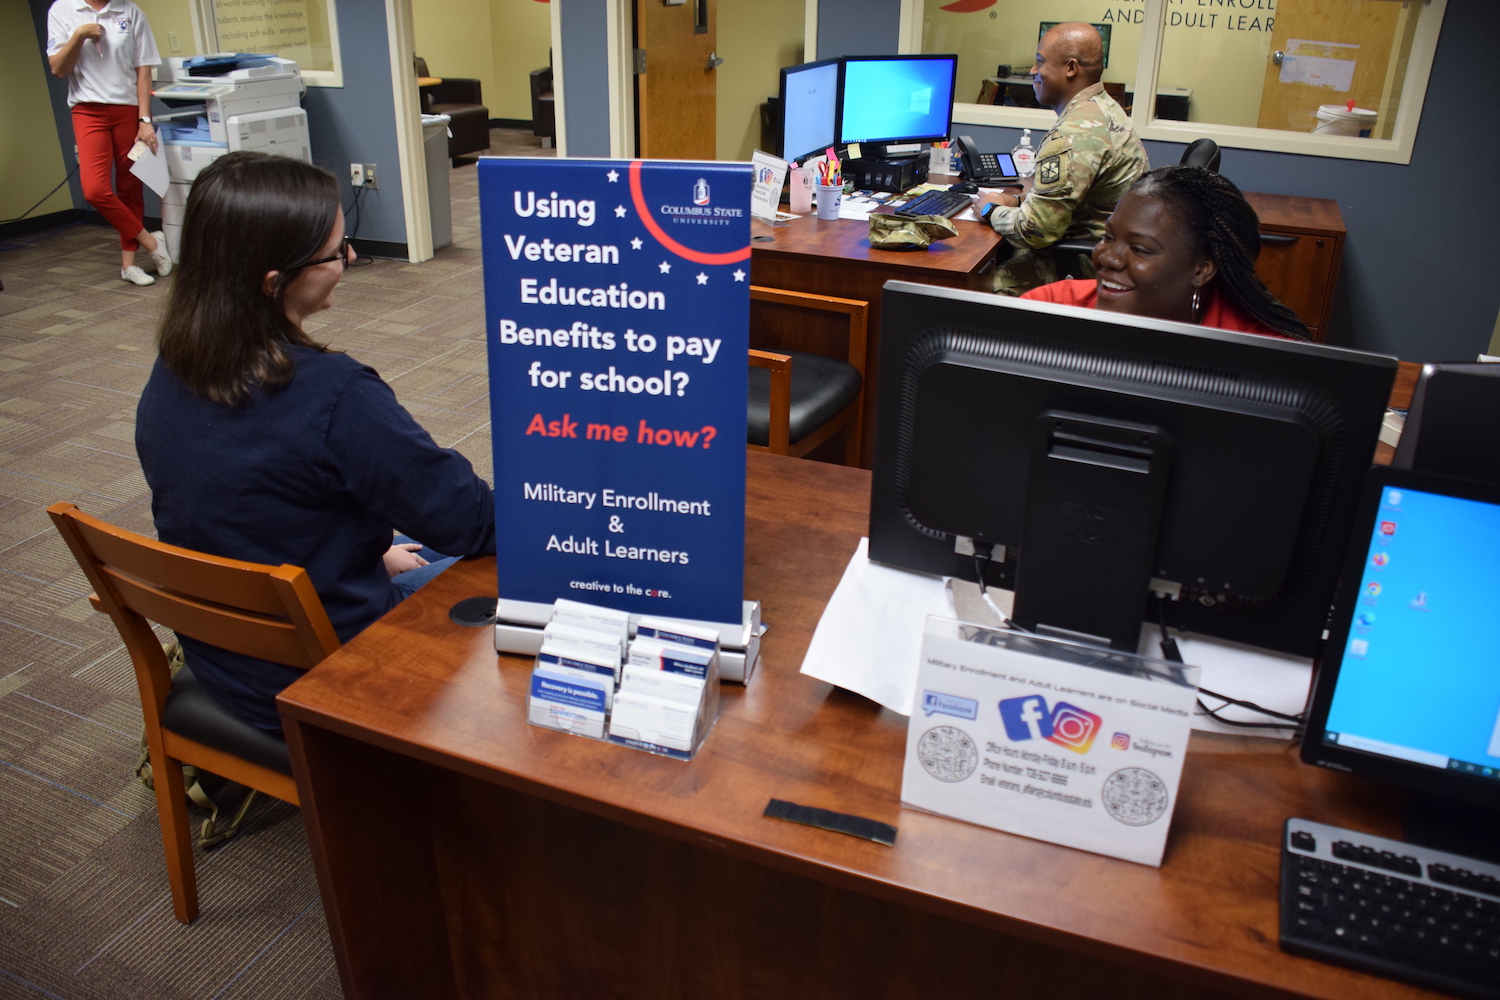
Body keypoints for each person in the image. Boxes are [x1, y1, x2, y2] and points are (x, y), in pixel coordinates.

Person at [136, 151, 496, 731]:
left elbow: (240, 509)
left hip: (226, 657)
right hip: (326, 672)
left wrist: (371, 557)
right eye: (335, 252)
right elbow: (470, 520)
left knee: (404, 542)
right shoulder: (336, 396)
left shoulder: (172, 367)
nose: (350, 256)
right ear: (274, 282)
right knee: (508, 565)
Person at [1022, 165, 1311, 340]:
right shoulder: (1050, 307)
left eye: (1140, 249)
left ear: (1201, 269)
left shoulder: (1265, 356)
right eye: (1108, 237)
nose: (1107, 257)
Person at [975, 22, 1148, 296]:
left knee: (971, 285)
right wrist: (1016, 201)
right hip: (1109, 254)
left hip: (1085, 268)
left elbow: (1036, 230)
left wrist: (988, 210)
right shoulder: (1103, 108)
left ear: (1071, 68)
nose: (1033, 71)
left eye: (1040, 62)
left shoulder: (1074, 133)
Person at [46, 0, 174, 286]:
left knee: (130, 187)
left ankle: (129, 266)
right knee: (95, 190)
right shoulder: (62, 10)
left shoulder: (130, 12)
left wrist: (144, 119)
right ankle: (151, 243)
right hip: (87, 110)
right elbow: (58, 69)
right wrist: (79, 35)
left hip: (128, 110)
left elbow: (143, 70)